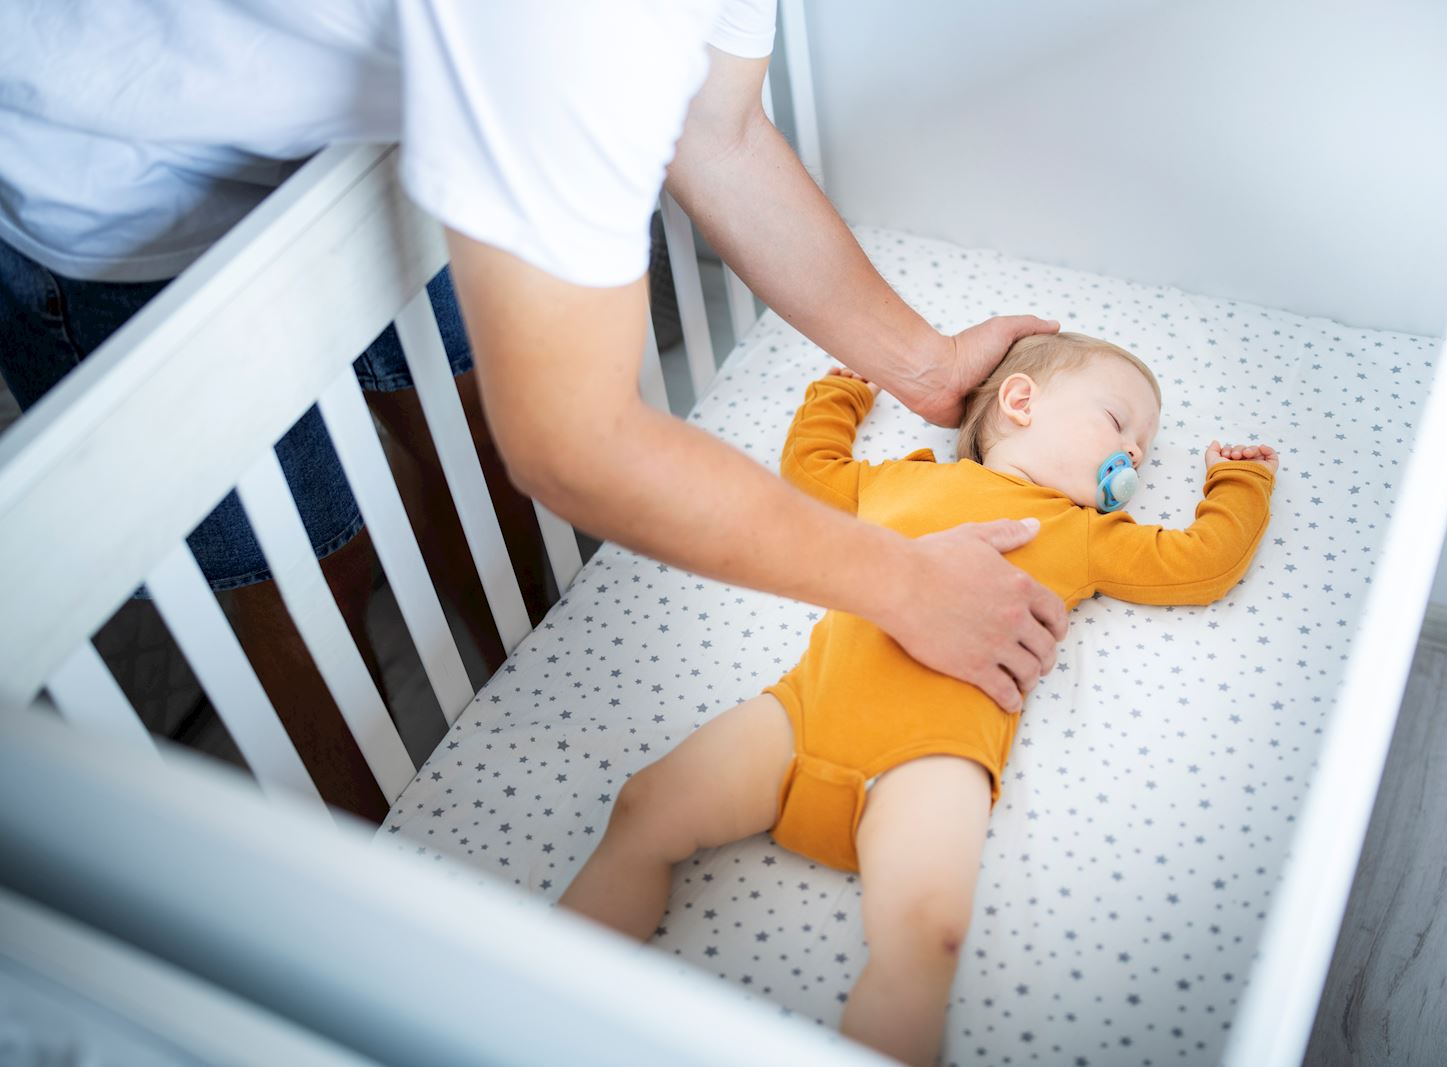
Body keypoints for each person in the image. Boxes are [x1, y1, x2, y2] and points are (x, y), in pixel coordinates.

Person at [0, 1, 1067, 812]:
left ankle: (514, 690)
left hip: (378, 118)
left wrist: (921, 366)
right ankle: (362, 851)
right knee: (302, 559)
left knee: (468, 429)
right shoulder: (561, 28)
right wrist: (906, 587)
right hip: (119, 170)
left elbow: (722, 133)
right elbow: (574, 443)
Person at [559, 332, 1280, 1066]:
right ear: (1022, 402)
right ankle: (545, 997)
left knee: (928, 934)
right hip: (799, 717)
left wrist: (1237, 485)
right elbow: (811, 475)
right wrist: (841, 393)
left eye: (1146, 449)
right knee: (645, 808)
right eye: (1118, 422)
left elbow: (1198, 564)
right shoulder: (904, 479)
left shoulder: (1088, 533)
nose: (1134, 455)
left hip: (932, 758)